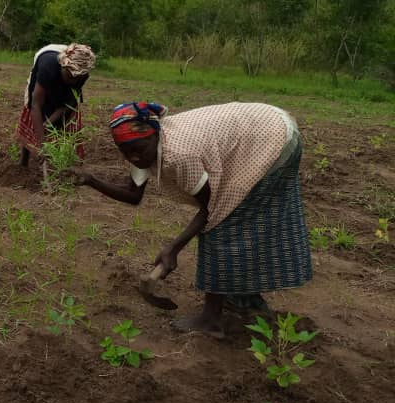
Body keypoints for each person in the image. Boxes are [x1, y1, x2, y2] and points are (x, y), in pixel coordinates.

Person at [70, 101, 312, 338]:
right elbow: (134, 195)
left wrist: (173, 249)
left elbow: (210, 208)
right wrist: (91, 181)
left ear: (155, 135)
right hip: (258, 132)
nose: (133, 158)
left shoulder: (178, 155)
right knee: (232, 224)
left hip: (273, 139)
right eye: (126, 152)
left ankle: (211, 320)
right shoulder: (139, 146)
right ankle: (242, 296)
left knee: (222, 227)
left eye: (138, 151)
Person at [16, 43, 96, 167]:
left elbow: (68, 104)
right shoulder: (47, 67)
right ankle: (24, 160)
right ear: (62, 67)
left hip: (63, 93)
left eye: (77, 78)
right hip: (46, 67)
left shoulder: (82, 74)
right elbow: (36, 105)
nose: (73, 81)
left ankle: (61, 165)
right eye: (70, 76)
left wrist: (49, 122)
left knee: (64, 123)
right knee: (33, 118)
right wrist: (42, 146)